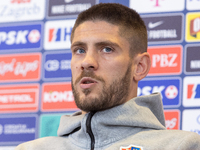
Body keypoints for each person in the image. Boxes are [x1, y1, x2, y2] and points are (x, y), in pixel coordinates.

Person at [15, 3, 200, 150]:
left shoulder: (181, 146)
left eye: (107, 49)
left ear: (140, 66)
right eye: (79, 50)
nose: (87, 62)